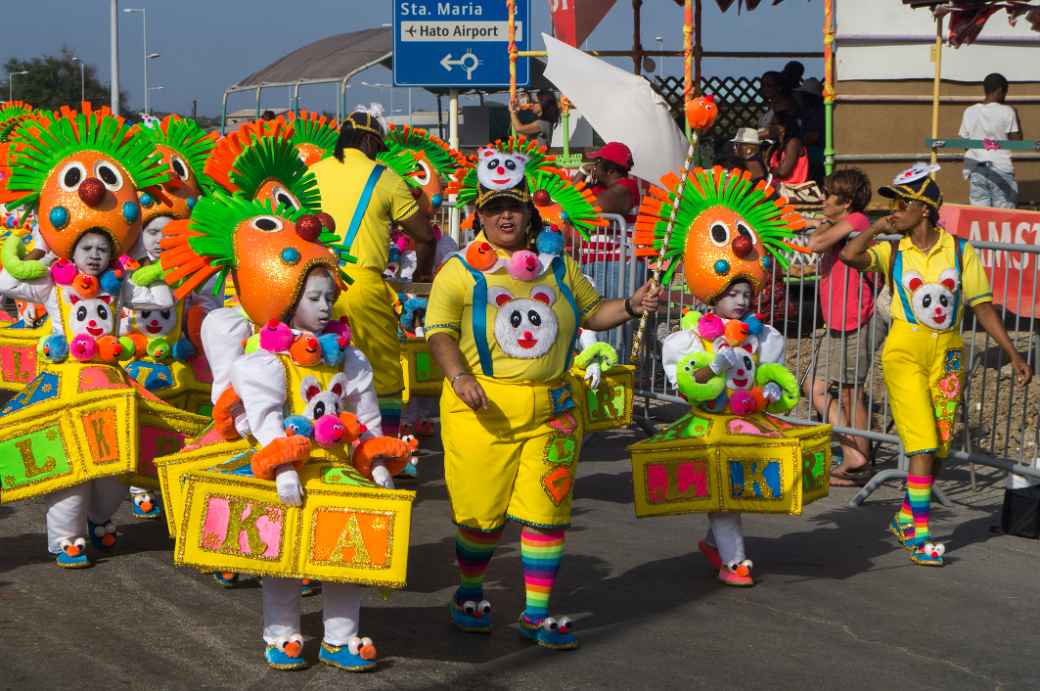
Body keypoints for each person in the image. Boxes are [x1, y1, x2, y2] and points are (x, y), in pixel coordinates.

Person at [160, 192, 414, 671]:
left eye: (329, 298)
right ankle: (282, 633)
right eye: (312, 298)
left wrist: (376, 459)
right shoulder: (265, 358)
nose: (323, 308)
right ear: (287, 298)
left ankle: (341, 636)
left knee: (342, 558)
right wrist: (282, 468)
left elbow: (365, 411)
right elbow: (264, 416)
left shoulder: (348, 355)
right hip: (288, 468)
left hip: (337, 468)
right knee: (281, 559)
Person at [426, 149, 660, 649]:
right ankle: (469, 592)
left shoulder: (559, 266)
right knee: (481, 519)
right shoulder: (459, 272)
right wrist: (460, 376)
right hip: (481, 411)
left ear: (530, 211)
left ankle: (536, 614)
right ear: (479, 215)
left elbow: (595, 312)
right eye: (494, 208)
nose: (505, 216)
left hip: (552, 410)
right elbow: (439, 332)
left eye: (514, 206)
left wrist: (632, 305)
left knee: (546, 511)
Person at [0, 103, 186, 568]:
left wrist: (142, 255)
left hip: (110, 382)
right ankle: (67, 538)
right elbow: (6, 281)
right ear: (73, 249)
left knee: (115, 465)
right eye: (87, 248)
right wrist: (41, 249)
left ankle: (101, 519)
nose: (95, 256)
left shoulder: (120, 285)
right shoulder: (52, 283)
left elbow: (162, 297)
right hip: (65, 385)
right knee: (72, 469)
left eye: (104, 249)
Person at [635, 164, 823, 588]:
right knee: (723, 496)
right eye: (731, 295)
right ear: (713, 296)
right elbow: (686, 380)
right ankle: (735, 560)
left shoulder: (763, 338)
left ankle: (715, 543)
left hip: (745, 424)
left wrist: (773, 389)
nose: (739, 303)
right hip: (708, 426)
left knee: (732, 491)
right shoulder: (689, 338)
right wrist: (712, 368)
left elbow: (772, 376)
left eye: (745, 295)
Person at [840, 164, 1032, 567]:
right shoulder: (894, 249)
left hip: (948, 355)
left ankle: (907, 515)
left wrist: (1013, 353)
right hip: (904, 353)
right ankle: (919, 533)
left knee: (939, 444)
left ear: (923, 208)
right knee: (923, 441)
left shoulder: (960, 249)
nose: (894, 208)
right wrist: (877, 229)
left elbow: (981, 306)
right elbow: (849, 255)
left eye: (902, 202)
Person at [309, 106, 436, 438]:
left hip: (311, 283)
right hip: (361, 286)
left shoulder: (312, 172)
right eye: (377, 147)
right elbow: (423, 235)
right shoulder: (384, 177)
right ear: (368, 141)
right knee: (381, 373)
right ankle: (383, 451)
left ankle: (329, 447)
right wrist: (423, 275)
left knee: (321, 367)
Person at [804, 168, 884, 486]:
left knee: (852, 392)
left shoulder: (859, 222)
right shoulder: (843, 224)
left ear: (847, 201)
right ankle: (854, 454)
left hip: (857, 319)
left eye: (829, 195)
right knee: (816, 387)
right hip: (836, 321)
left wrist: (821, 227)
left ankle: (858, 463)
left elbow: (815, 242)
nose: (823, 199)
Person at [959, 72, 1022, 208]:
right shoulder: (1007, 111)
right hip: (1001, 168)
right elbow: (1017, 141)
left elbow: (964, 143)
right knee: (1003, 216)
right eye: (1005, 93)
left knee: (979, 214)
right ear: (1000, 90)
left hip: (976, 168)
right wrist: (1015, 114)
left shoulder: (969, 111)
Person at [574, 141, 639, 217]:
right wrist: (583, 171)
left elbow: (585, 208)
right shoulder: (601, 185)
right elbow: (567, 197)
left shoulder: (625, 188)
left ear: (610, 170)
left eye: (597, 161)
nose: (593, 165)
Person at [795, 78, 826, 183]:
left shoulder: (818, 112)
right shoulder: (808, 111)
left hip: (819, 152)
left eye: (804, 95)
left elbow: (813, 136)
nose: (802, 97)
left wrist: (794, 143)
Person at [767, 111, 810, 185]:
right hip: (776, 186)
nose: (769, 127)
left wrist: (769, 171)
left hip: (789, 189)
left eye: (772, 124)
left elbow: (783, 172)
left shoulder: (793, 143)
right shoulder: (776, 145)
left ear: (782, 128)